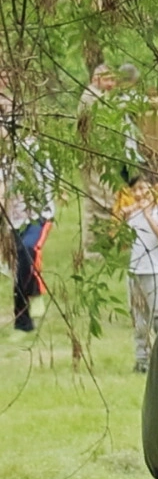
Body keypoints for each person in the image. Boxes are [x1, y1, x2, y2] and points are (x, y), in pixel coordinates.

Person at [122, 172, 158, 371]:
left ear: (154, 189)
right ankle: (142, 361)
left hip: (157, 273)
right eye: (134, 190)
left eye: (143, 188)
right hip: (135, 271)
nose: (138, 193)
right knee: (139, 320)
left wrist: (147, 214)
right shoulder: (132, 214)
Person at [6, 135, 55, 334]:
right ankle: (23, 319)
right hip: (12, 220)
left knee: (28, 251)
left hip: (38, 215)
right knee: (18, 266)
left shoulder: (33, 149)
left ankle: (26, 313)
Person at [76, 64, 121, 254]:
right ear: (96, 79)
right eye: (107, 79)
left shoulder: (99, 97)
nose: (111, 84)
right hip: (94, 157)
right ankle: (97, 249)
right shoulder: (90, 99)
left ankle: (95, 247)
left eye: (113, 79)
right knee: (101, 200)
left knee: (97, 201)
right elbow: (93, 132)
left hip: (100, 158)